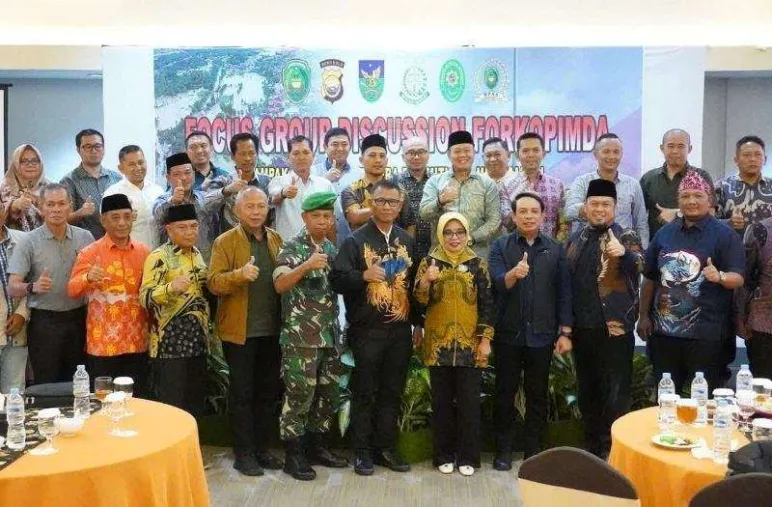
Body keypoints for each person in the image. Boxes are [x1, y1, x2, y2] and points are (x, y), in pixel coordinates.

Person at [330, 179, 418, 476]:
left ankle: (386, 448)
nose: (387, 207)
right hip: (366, 331)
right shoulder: (355, 241)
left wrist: (418, 325)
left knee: (392, 392)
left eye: (393, 202)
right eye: (381, 201)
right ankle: (362, 451)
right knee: (365, 392)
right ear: (371, 202)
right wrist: (363, 276)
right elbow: (336, 280)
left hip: (399, 331)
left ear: (400, 205)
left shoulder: (406, 241)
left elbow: (414, 286)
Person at [637, 171, 744, 396]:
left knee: (707, 401)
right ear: (678, 200)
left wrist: (720, 277)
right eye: (685, 196)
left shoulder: (725, 235)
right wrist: (644, 316)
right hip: (665, 337)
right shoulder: (664, 234)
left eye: (698, 195)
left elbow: (738, 278)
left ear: (709, 199)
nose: (691, 201)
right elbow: (650, 277)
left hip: (708, 337)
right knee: (666, 400)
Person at [488, 192, 572, 467]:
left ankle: (534, 452)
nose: (528, 216)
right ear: (513, 216)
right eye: (522, 211)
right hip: (508, 335)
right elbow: (497, 284)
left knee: (538, 395)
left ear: (543, 215)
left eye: (534, 211)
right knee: (504, 393)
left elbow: (564, 292)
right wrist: (514, 274)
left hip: (542, 335)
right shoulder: (500, 246)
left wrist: (565, 332)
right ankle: (503, 451)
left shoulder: (555, 249)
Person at [207, 187, 284, 476]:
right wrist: (239, 275)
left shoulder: (276, 239)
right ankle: (244, 453)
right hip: (239, 332)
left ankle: (263, 449)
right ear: (237, 211)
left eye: (260, 206)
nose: (255, 211)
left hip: (272, 330)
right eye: (249, 206)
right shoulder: (225, 241)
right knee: (242, 394)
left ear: (268, 209)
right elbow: (213, 283)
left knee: (268, 392)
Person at [565, 179, 644, 459]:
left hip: (615, 329)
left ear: (615, 207)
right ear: (585, 207)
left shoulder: (627, 236)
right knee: (587, 388)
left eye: (606, 204)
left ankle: (613, 449)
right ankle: (591, 445)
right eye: (594, 204)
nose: (600, 209)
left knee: (616, 391)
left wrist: (626, 255)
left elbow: (644, 264)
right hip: (582, 328)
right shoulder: (575, 239)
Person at [273, 192, 348, 481]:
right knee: (299, 396)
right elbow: (280, 284)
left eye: (327, 216)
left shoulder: (330, 247)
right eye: (316, 216)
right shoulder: (292, 247)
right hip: (300, 338)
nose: (322, 221)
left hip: (329, 336)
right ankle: (293, 456)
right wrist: (305, 265)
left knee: (328, 395)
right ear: (304, 217)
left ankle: (318, 447)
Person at [414, 212, 493, 476]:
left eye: (459, 232)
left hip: (470, 345)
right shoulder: (429, 262)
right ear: (440, 234)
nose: (454, 237)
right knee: (442, 404)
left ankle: (468, 456)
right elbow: (419, 303)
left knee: (469, 404)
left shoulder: (478, 264)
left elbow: (487, 305)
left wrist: (485, 340)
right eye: (448, 232)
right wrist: (425, 281)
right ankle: (443, 455)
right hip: (438, 346)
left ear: (467, 234)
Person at [8, 183, 94, 384]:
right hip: (44, 322)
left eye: (61, 204)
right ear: (41, 207)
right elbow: (12, 287)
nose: (56, 209)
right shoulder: (28, 241)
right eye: (50, 204)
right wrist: (32, 287)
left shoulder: (85, 237)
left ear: (70, 205)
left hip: (79, 319)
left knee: (78, 383)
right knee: (46, 385)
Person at [67, 194, 150, 392]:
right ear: (103, 221)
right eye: (115, 217)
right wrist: (87, 278)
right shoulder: (90, 252)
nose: (122, 223)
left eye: (127, 216)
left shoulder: (144, 252)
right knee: (103, 399)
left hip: (137, 339)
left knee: (137, 399)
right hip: (103, 342)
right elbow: (72, 290)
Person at [140, 204, 209, 415]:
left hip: (197, 339)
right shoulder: (159, 256)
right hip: (169, 342)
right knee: (172, 405)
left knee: (195, 401)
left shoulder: (197, 254)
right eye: (182, 227)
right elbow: (144, 297)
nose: (189, 232)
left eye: (193, 226)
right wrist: (171, 288)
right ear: (169, 230)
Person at [419, 130, 501, 258]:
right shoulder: (435, 181)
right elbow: (424, 214)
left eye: (467, 150)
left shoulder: (487, 183)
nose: (462, 155)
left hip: (476, 256)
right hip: (441, 256)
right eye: (457, 151)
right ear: (449, 154)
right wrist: (439, 201)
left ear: (474, 152)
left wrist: (470, 238)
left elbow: (494, 221)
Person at [565, 133, 649, 247]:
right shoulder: (582, 182)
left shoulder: (632, 184)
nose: (611, 156)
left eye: (616, 152)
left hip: (623, 248)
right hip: (587, 247)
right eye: (606, 151)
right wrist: (589, 208)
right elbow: (568, 212)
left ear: (621, 154)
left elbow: (641, 223)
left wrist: (642, 251)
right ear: (595, 154)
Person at [153, 152, 238, 262]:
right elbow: (158, 214)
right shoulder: (162, 200)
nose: (183, 177)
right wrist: (173, 201)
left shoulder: (203, 197)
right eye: (177, 174)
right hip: (174, 265)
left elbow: (216, 198)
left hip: (204, 262)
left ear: (193, 175)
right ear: (168, 178)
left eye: (187, 172)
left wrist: (229, 189)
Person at [639, 129, 713, 238]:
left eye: (681, 146)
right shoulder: (648, 178)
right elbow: (639, 218)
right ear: (662, 148)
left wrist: (677, 214)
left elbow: (710, 213)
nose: (675, 151)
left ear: (690, 149)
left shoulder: (701, 176)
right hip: (657, 243)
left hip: (694, 241)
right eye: (671, 146)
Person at [504, 133, 569, 240]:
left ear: (543, 154)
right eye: (525, 151)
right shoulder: (506, 185)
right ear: (517, 155)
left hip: (550, 247)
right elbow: (507, 223)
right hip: (516, 247)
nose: (531, 155)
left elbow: (564, 222)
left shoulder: (557, 185)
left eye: (536, 150)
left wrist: (556, 245)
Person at [269, 135, 335, 241]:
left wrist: (333, 247)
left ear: (313, 155)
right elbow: (273, 199)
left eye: (306, 152)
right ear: (288, 157)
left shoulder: (324, 184)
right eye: (296, 153)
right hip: (288, 248)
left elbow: (332, 220)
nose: (301, 157)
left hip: (319, 247)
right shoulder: (279, 181)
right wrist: (283, 193)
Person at [61, 129, 122, 239]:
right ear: (78, 150)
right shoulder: (69, 181)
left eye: (98, 146)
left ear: (103, 149)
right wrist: (81, 212)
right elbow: (63, 219)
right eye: (88, 147)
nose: (93, 151)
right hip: (85, 243)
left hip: (117, 241)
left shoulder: (116, 178)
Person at [103, 145, 164, 249]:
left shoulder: (158, 191)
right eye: (132, 164)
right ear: (121, 168)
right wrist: (126, 218)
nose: (138, 168)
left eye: (141, 162)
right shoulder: (112, 194)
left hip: (158, 254)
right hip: (128, 253)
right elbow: (108, 227)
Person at [0, 196, 30, 393]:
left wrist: (22, 313)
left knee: (15, 396)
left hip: (16, 334)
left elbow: (35, 281)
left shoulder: (23, 240)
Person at [313, 127, 361, 248]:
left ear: (350, 147)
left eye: (344, 144)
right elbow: (304, 201)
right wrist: (324, 181)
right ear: (325, 147)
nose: (340, 148)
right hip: (319, 242)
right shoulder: (312, 173)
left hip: (353, 242)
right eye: (335, 144)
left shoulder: (359, 175)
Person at [737, 216, 772, 379]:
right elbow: (745, 280)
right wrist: (739, 317)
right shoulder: (760, 231)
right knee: (763, 387)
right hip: (764, 328)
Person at [715, 135, 771, 235]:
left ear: (765, 159)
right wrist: (728, 222)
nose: (752, 159)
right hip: (732, 243)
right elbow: (709, 222)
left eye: (758, 154)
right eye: (746, 155)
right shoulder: (721, 187)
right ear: (736, 160)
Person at [340, 134, 394, 233]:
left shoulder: (397, 189)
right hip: (360, 242)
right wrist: (391, 206)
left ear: (386, 161)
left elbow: (409, 224)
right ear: (361, 160)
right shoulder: (351, 190)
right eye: (372, 155)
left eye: (382, 156)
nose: (378, 160)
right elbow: (354, 217)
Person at [220, 132, 270, 232]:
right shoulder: (223, 181)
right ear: (233, 156)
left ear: (257, 154)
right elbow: (204, 206)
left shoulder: (267, 181)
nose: (247, 158)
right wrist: (227, 190)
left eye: (251, 153)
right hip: (231, 239)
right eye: (242, 154)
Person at [396, 137, 432, 261]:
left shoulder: (437, 182)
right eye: (411, 153)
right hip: (401, 250)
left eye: (421, 152)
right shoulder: (394, 182)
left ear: (428, 155)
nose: (416, 157)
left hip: (434, 250)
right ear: (403, 157)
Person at [1, 143, 50, 232]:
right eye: (24, 161)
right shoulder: (5, 188)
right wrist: (13, 206)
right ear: (16, 164)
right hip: (13, 238)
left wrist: (39, 203)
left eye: (35, 161)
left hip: (46, 237)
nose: (30, 165)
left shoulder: (50, 188)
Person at [482, 137, 518, 233]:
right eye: (488, 155)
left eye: (497, 154)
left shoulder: (521, 182)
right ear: (483, 158)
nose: (493, 159)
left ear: (508, 155)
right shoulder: (477, 184)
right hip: (483, 240)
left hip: (515, 239)